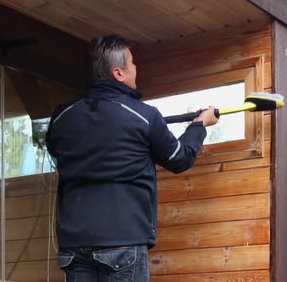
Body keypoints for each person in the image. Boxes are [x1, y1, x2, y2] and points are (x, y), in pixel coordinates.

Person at [45, 35, 218, 281]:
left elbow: (55, 149)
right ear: (118, 73)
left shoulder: (63, 116)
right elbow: (179, 158)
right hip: (121, 242)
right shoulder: (143, 116)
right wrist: (200, 125)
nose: (136, 68)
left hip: (74, 245)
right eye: (133, 63)